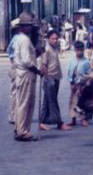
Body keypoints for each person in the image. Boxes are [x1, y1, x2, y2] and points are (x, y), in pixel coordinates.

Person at [13, 12, 42, 141]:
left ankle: (19, 128)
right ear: (23, 27)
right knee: (25, 103)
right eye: (29, 26)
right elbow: (26, 61)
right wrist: (38, 71)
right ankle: (23, 131)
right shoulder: (24, 40)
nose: (30, 28)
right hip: (26, 74)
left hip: (22, 73)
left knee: (21, 103)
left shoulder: (20, 38)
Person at [39, 30, 72, 131]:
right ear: (48, 39)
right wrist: (47, 78)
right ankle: (59, 123)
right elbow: (43, 65)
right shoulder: (46, 50)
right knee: (53, 101)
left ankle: (41, 122)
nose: (55, 40)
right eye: (52, 39)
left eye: (56, 38)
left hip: (56, 77)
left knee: (47, 101)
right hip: (50, 78)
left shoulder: (55, 48)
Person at [67, 40, 91, 127]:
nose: (79, 52)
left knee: (82, 102)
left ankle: (83, 119)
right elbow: (69, 72)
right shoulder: (72, 61)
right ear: (75, 50)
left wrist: (85, 85)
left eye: (81, 50)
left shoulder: (86, 62)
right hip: (74, 84)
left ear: (83, 50)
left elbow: (89, 74)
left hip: (82, 85)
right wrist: (71, 83)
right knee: (73, 102)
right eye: (77, 50)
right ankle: (73, 119)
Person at [6, 21, 20, 124]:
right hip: (16, 65)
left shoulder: (15, 38)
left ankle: (13, 115)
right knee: (15, 91)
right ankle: (13, 116)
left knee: (14, 91)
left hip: (13, 64)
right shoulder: (18, 39)